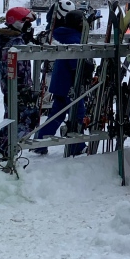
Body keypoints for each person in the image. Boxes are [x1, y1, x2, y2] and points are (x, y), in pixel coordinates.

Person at [36, 9, 89, 157]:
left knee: (57, 113)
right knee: (78, 112)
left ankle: (40, 142)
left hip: (60, 82)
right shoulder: (73, 38)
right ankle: (76, 146)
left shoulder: (63, 35)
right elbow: (75, 62)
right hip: (71, 83)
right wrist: (85, 68)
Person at [0, 7, 40, 168]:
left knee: (17, 120)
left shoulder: (15, 39)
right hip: (16, 89)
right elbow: (15, 67)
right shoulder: (12, 43)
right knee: (18, 121)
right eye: (26, 22)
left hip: (18, 88)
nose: (29, 26)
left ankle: (3, 154)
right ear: (16, 22)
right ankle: (4, 154)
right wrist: (24, 90)